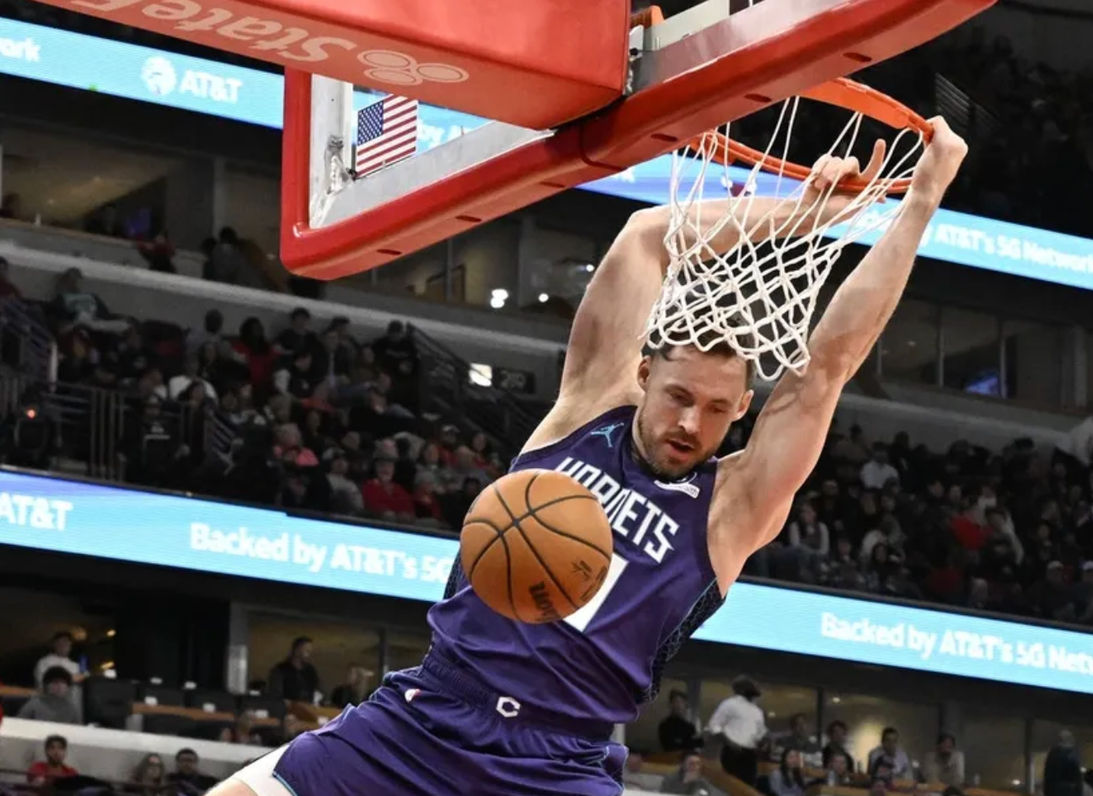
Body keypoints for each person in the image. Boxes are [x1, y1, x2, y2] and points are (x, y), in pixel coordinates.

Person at [210, 118, 968, 796]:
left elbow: (827, 367)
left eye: (714, 409)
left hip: (556, 767)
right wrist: (809, 213)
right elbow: (644, 236)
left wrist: (918, 203)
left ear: (741, 411)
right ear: (643, 374)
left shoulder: (732, 509)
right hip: (428, 717)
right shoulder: (582, 413)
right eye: (676, 395)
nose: (689, 422)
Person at [707, 675, 766, 784]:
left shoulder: (757, 710)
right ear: (741, 689)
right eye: (751, 685)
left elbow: (760, 732)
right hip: (733, 752)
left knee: (748, 786)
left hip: (750, 754)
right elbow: (714, 725)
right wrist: (729, 743)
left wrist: (761, 742)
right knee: (731, 785)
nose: (755, 688)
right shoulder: (729, 704)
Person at [267, 637, 321, 704]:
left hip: (308, 709)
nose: (309, 654)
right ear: (296, 650)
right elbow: (276, 695)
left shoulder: (311, 671)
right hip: (287, 710)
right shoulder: (280, 670)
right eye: (306, 651)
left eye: (310, 651)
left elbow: (318, 691)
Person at [1043, 730, 1083, 796]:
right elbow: (1077, 775)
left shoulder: (1053, 753)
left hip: (1055, 788)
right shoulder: (1073, 753)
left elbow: (1048, 775)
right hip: (1069, 788)